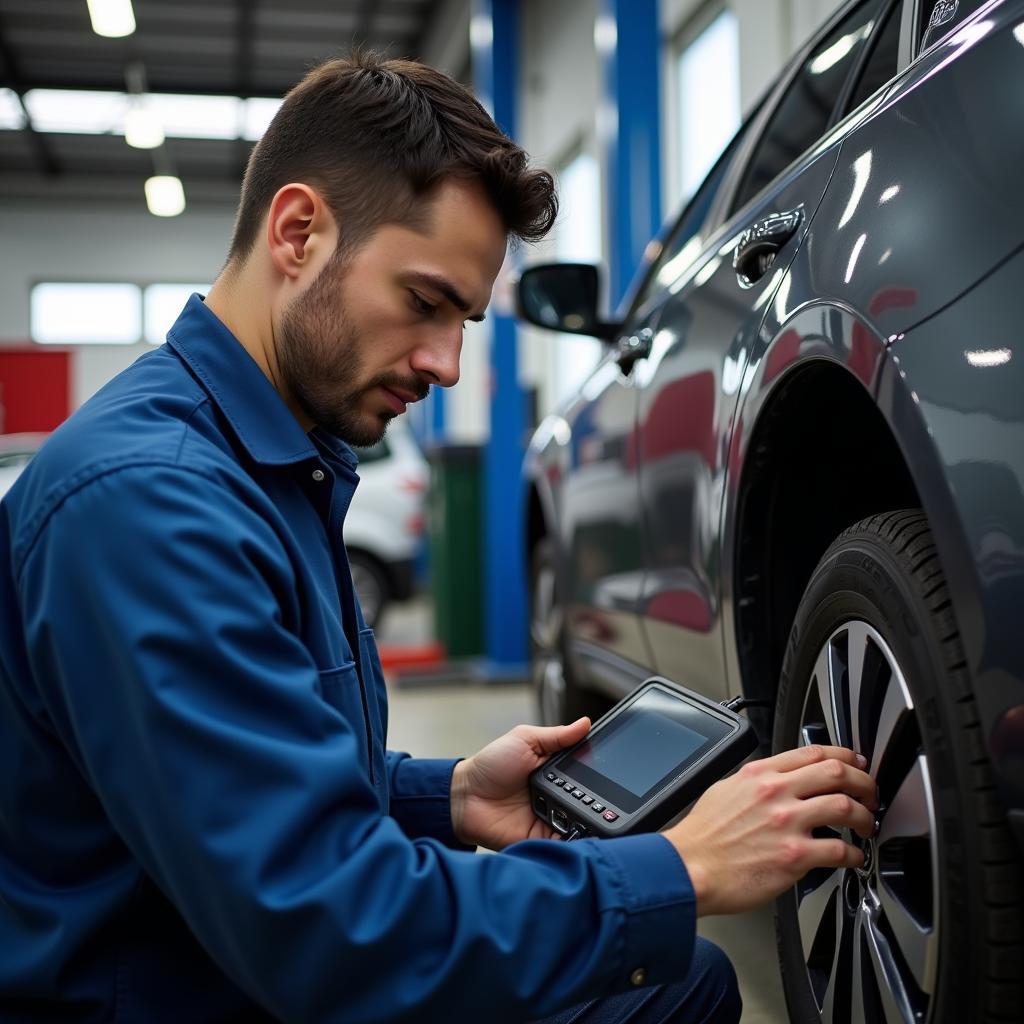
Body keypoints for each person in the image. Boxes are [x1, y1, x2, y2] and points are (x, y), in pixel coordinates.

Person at [0, 52, 877, 1023]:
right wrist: (684, 863)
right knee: (675, 978)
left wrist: (445, 796)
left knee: (683, 981)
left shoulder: (265, 462)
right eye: (424, 302)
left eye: (463, 318)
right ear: (298, 232)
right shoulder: (150, 505)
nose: (447, 364)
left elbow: (248, 777)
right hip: (204, 992)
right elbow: (331, 930)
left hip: (226, 963)